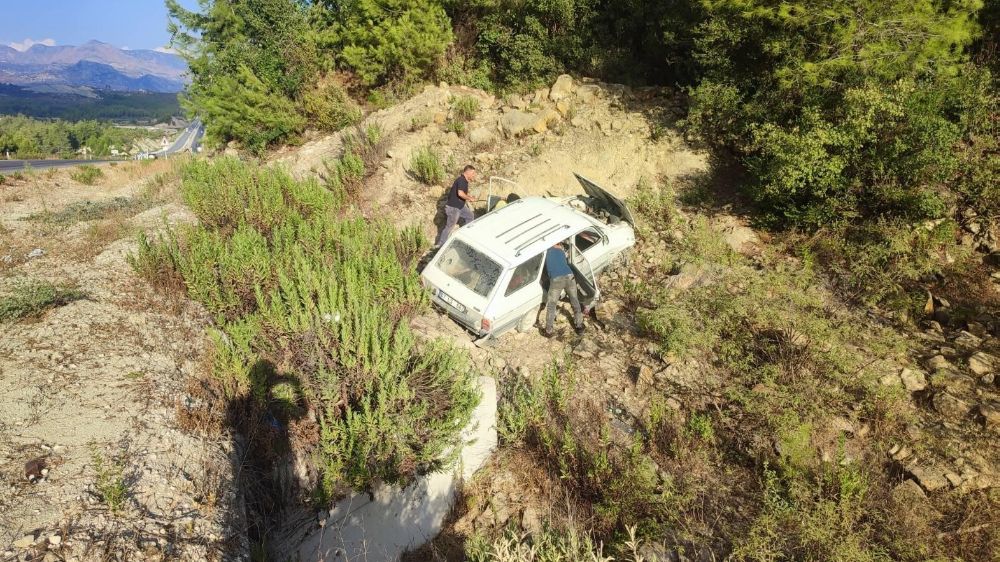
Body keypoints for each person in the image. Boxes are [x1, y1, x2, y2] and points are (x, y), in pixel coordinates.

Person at [543, 241, 584, 337]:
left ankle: (549, 331)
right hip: (570, 276)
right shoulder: (561, 251)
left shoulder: (545, 251)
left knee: (551, 305)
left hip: (556, 279)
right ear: (558, 244)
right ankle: (579, 327)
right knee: (574, 301)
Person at [435, 165, 477, 247]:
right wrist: (469, 198)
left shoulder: (464, 181)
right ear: (467, 172)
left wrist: (470, 197)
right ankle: (440, 244)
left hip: (460, 206)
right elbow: (460, 193)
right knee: (450, 226)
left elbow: (461, 194)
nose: (474, 175)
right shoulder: (461, 180)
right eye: (473, 173)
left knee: (470, 216)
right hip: (453, 208)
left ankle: (465, 236)